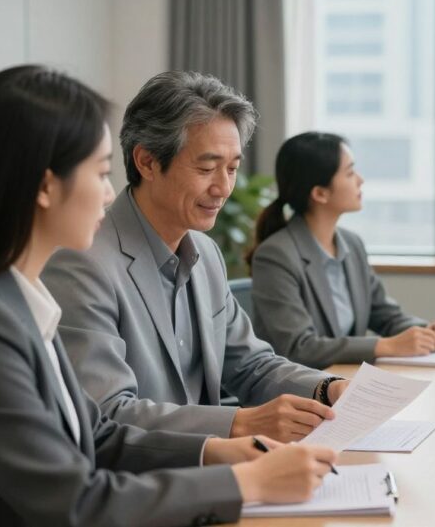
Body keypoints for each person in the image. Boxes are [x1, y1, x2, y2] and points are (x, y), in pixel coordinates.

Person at [0, 66, 337, 526]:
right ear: (46, 187)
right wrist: (244, 481)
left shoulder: (21, 299)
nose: (110, 191)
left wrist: (219, 452)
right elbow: (75, 502)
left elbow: (97, 433)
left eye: (231, 168)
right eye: (100, 172)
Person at [42, 71, 348, 443]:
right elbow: (106, 411)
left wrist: (327, 387)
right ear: (148, 162)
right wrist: (239, 425)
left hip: (212, 471)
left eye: (232, 168)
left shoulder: (205, 253)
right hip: (146, 482)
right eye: (206, 168)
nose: (223, 188)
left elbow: (250, 364)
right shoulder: (83, 263)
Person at [247, 132, 435, 369]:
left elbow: (383, 313)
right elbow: (299, 347)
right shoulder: (276, 255)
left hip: (344, 382)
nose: (360, 180)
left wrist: (426, 331)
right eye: (350, 172)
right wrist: (385, 346)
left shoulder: (352, 244)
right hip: (296, 394)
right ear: (320, 193)